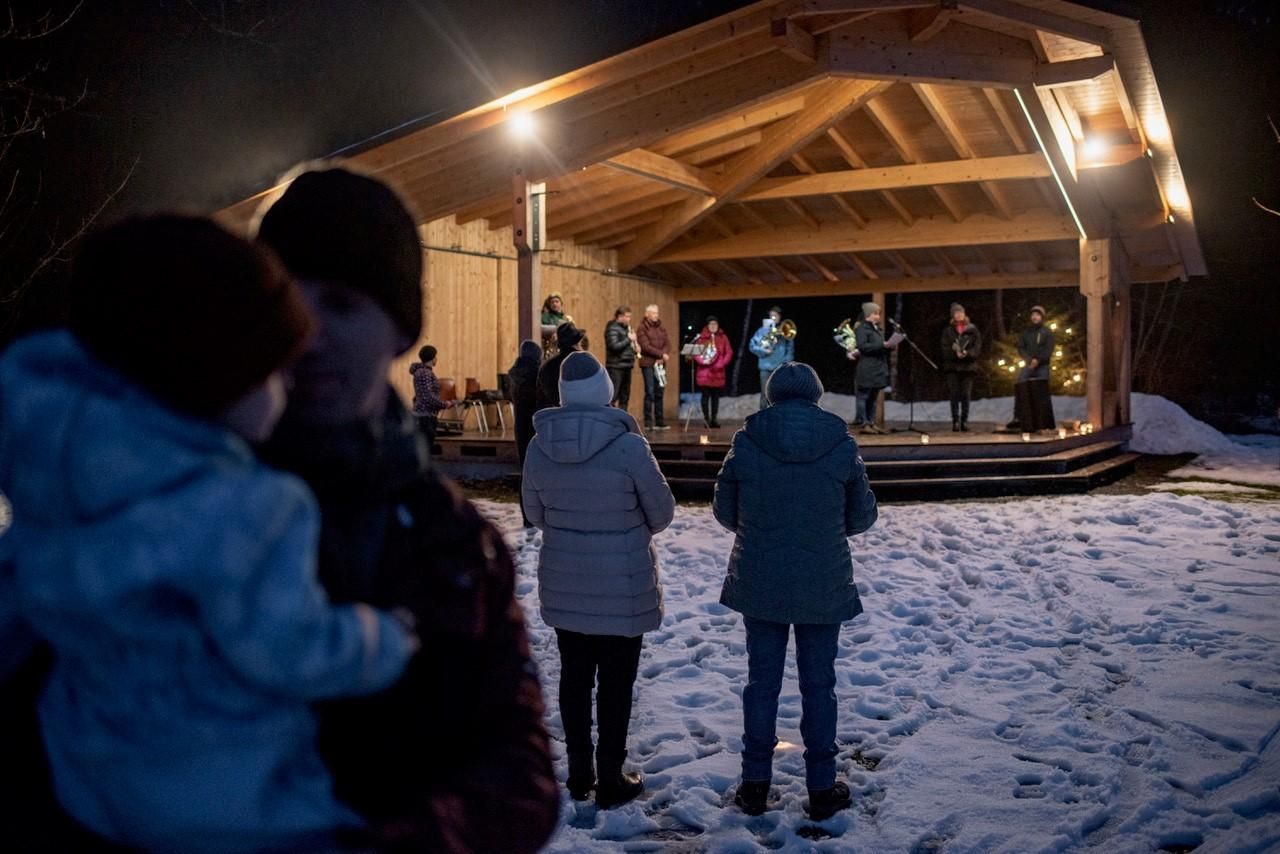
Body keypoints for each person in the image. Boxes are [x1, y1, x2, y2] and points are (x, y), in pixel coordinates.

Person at [0, 215, 417, 852]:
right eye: (274, 371)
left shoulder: (57, 478)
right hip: (226, 794)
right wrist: (379, 639)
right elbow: (285, 646)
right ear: (217, 377)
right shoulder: (250, 507)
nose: (289, 384)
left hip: (87, 777)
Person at [255, 164, 558, 853]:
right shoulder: (156, 507)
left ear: (398, 331)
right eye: (285, 301)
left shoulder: (452, 541)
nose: (306, 333)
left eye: (341, 303)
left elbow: (520, 771)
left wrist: (405, 839)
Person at [713, 362, 878, 822]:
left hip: (760, 579)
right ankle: (822, 788)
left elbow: (725, 511)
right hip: (822, 580)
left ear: (772, 395)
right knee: (819, 686)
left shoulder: (746, 442)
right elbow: (862, 518)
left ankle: (754, 785)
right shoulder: (841, 445)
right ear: (816, 395)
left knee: (760, 684)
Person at [521, 352, 675, 810]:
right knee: (615, 682)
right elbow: (662, 513)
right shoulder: (629, 446)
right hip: (622, 584)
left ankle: (579, 773)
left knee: (573, 677)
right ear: (605, 390)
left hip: (565, 579)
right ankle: (610, 776)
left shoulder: (538, 444)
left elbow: (535, 514)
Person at [507, 339, 543, 527]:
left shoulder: (513, 373)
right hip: (536, 424)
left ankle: (527, 517)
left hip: (520, 424)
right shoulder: (536, 374)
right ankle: (537, 515)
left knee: (525, 470)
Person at [853, 302, 898, 433]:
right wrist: (881, 345)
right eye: (875, 313)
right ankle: (864, 423)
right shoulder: (862, 329)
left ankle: (871, 422)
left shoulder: (878, 329)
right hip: (867, 367)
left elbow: (879, 347)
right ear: (868, 314)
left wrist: (890, 346)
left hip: (878, 367)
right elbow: (863, 347)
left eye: (879, 313)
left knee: (873, 397)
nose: (878, 316)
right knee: (864, 396)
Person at [940, 302, 982, 432]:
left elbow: (977, 347)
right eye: (956, 313)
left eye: (961, 312)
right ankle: (955, 421)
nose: (959, 315)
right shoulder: (948, 331)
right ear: (953, 315)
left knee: (966, 394)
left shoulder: (972, 329)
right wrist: (955, 353)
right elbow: (944, 348)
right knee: (954, 394)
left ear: (964, 314)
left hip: (968, 367)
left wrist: (967, 353)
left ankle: (964, 421)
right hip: (952, 367)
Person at [1014, 304, 1056, 432]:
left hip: (1042, 365)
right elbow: (1021, 347)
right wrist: (1029, 360)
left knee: (1041, 391)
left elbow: (1048, 349)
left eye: (1037, 315)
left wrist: (1038, 360)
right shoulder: (1026, 332)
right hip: (1028, 364)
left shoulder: (1047, 332)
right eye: (1033, 315)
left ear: (1041, 317)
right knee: (1021, 385)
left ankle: (1043, 420)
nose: (1035, 317)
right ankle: (1018, 417)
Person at [410, 344, 456, 455]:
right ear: (432, 357)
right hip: (425, 416)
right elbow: (428, 397)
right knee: (426, 450)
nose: (436, 359)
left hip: (425, 415)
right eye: (435, 356)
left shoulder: (423, 372)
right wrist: (446, 404)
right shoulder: (424, 373)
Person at [748, 305, 794, 410]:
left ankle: (779, 417)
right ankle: (763, 418)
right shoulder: (762, 331)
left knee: (780, 394)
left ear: (779, 317)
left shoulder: (785, 329)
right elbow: (752, 346)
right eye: (771, 315)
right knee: (765, 394)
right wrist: (764, 351)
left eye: (776, 315)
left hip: (780, 367)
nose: (773, 317)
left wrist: (786, 363)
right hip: (765, 367)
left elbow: (790, 349)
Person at [692, 315, 733, 428]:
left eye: (715, 324)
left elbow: (728, 352)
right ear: (707, 325)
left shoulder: (723, 337)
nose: (713, 326)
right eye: (711, 324)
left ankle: (714, 418)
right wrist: (703, 361)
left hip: (718, 372)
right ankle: (706, 419)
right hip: (705, 372)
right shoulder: (701, 338)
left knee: (715, 396)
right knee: (705, 396)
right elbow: (696, 354)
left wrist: (722, 363)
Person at [635, 303, 671, 431]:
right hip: (648, 364)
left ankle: (660, 421)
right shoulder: (642, 328)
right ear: (647, 314)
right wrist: (661, 354)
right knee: (649, 392)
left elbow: (667, 342)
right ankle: (648, 421)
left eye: (657, 313)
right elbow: (645, 346)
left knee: (659, 392)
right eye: (654, 313)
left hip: (661, 364)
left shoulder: (661, 327)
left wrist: (664, 355)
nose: (656, 315)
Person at [536, 320, 586, 410]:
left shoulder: (546, 366)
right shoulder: (583, 362)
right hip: (578, 415)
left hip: (550, 417)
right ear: (577, 344)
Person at [604, 305, 638, 412]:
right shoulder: (612, 328)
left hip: (627, 365)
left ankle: (623, 419)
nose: (629, 319)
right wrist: (628, 339)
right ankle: (610, 420)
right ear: (620, 316)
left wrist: (635, 349)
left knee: (625, 396)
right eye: (627, 317)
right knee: (613, 395)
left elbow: (625, 347)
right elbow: (614, 346)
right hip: (616, 366)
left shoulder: (625, 329)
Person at [540, 292, 572, 358]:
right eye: (552, 302)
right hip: (551, 346)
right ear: (549, 304)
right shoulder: (545, 316)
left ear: (561, 303)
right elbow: (542, 330)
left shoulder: (566, 318)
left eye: (557, 301)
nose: (554, 304)